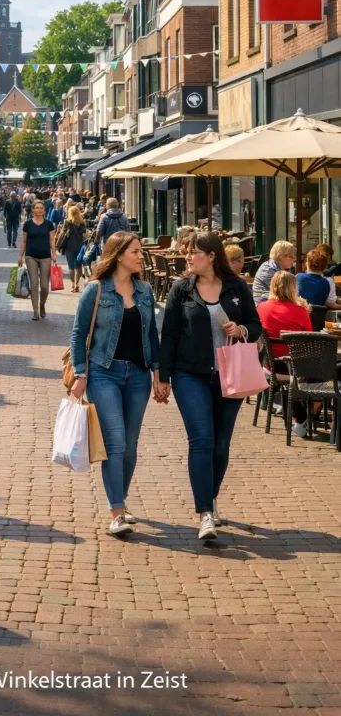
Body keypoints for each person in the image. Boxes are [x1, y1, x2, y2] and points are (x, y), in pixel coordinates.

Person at [159, 231, 262, 542]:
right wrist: (163, 377)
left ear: (212, 256)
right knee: (201, 439)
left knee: (220, 444)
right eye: (187, 253)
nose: (188, 257)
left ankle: (211, 496)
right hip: (189, 374)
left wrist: (241, 327)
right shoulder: (181, 289)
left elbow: (255, 325)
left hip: (230, 375)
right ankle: (204, 513)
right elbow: (170, 335)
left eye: (194, 253)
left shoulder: (236, 287)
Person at [70, 232, 159, 536]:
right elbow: (79, 333)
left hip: (138, 376)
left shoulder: (145, 291)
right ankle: (116, 512)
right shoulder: (95, 291)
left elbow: (152, 337)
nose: (141, 256)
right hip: (103, 373)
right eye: (136, 251)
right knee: (116, 442)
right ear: (119, 255)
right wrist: (81, 375)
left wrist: (159, 375)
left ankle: (120, 499)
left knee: (130, 446)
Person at [257, 271, 314, 438]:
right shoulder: (300, 311)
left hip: (270, 365)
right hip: (295, 368)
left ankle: (298, 413)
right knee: (324, 370)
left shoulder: (261, 307)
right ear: (293, 288)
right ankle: (308, 417)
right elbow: (309, 339)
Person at [18, 199, 56, 320]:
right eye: (37, 208)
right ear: (33, 210)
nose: (39, 210)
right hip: (31, 256)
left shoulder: (49, 224)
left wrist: (54, 254)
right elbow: (24, 241)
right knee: (34, 284)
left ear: (44, 210)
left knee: (44, 285)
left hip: (45, 256)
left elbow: (52, 240)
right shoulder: (28, 224)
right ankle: (35, 312)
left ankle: (42, 305)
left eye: (41, 208)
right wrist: (20, 256)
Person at [58, 204, 86, 292]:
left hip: (69, 246)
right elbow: (85, 235)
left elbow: (63, 233)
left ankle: (73, 284)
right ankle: (77, 283)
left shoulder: (67, 222)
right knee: (78, 266)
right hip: (79, 246)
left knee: (71, 267)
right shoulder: (82, 222)